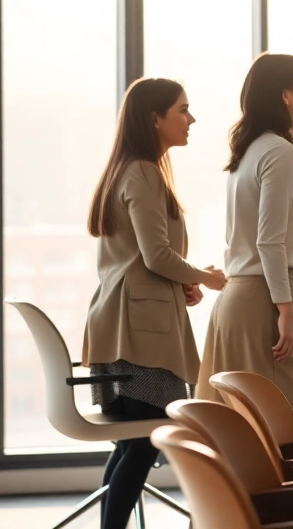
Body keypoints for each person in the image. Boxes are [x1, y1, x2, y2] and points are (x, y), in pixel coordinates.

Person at [82, 77, 228, 529]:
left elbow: (143, 260)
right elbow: (156, 256)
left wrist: (180, 284)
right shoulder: (143, 171)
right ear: (155, 118)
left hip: (123, 329)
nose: (191, 119)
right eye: (182, 110)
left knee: (135, 443)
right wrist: (205, 276)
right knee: (145, 442)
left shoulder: (128, 169)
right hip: (139, 338)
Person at [196, 53, 293, 436]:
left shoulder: (250, 150)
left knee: (243, 429)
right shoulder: (278, 151)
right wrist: (285, 311)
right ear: (285, 95)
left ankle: (237, 499)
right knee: (284, 429)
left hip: (238, 299)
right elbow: (270, 242)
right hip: (264, 300)